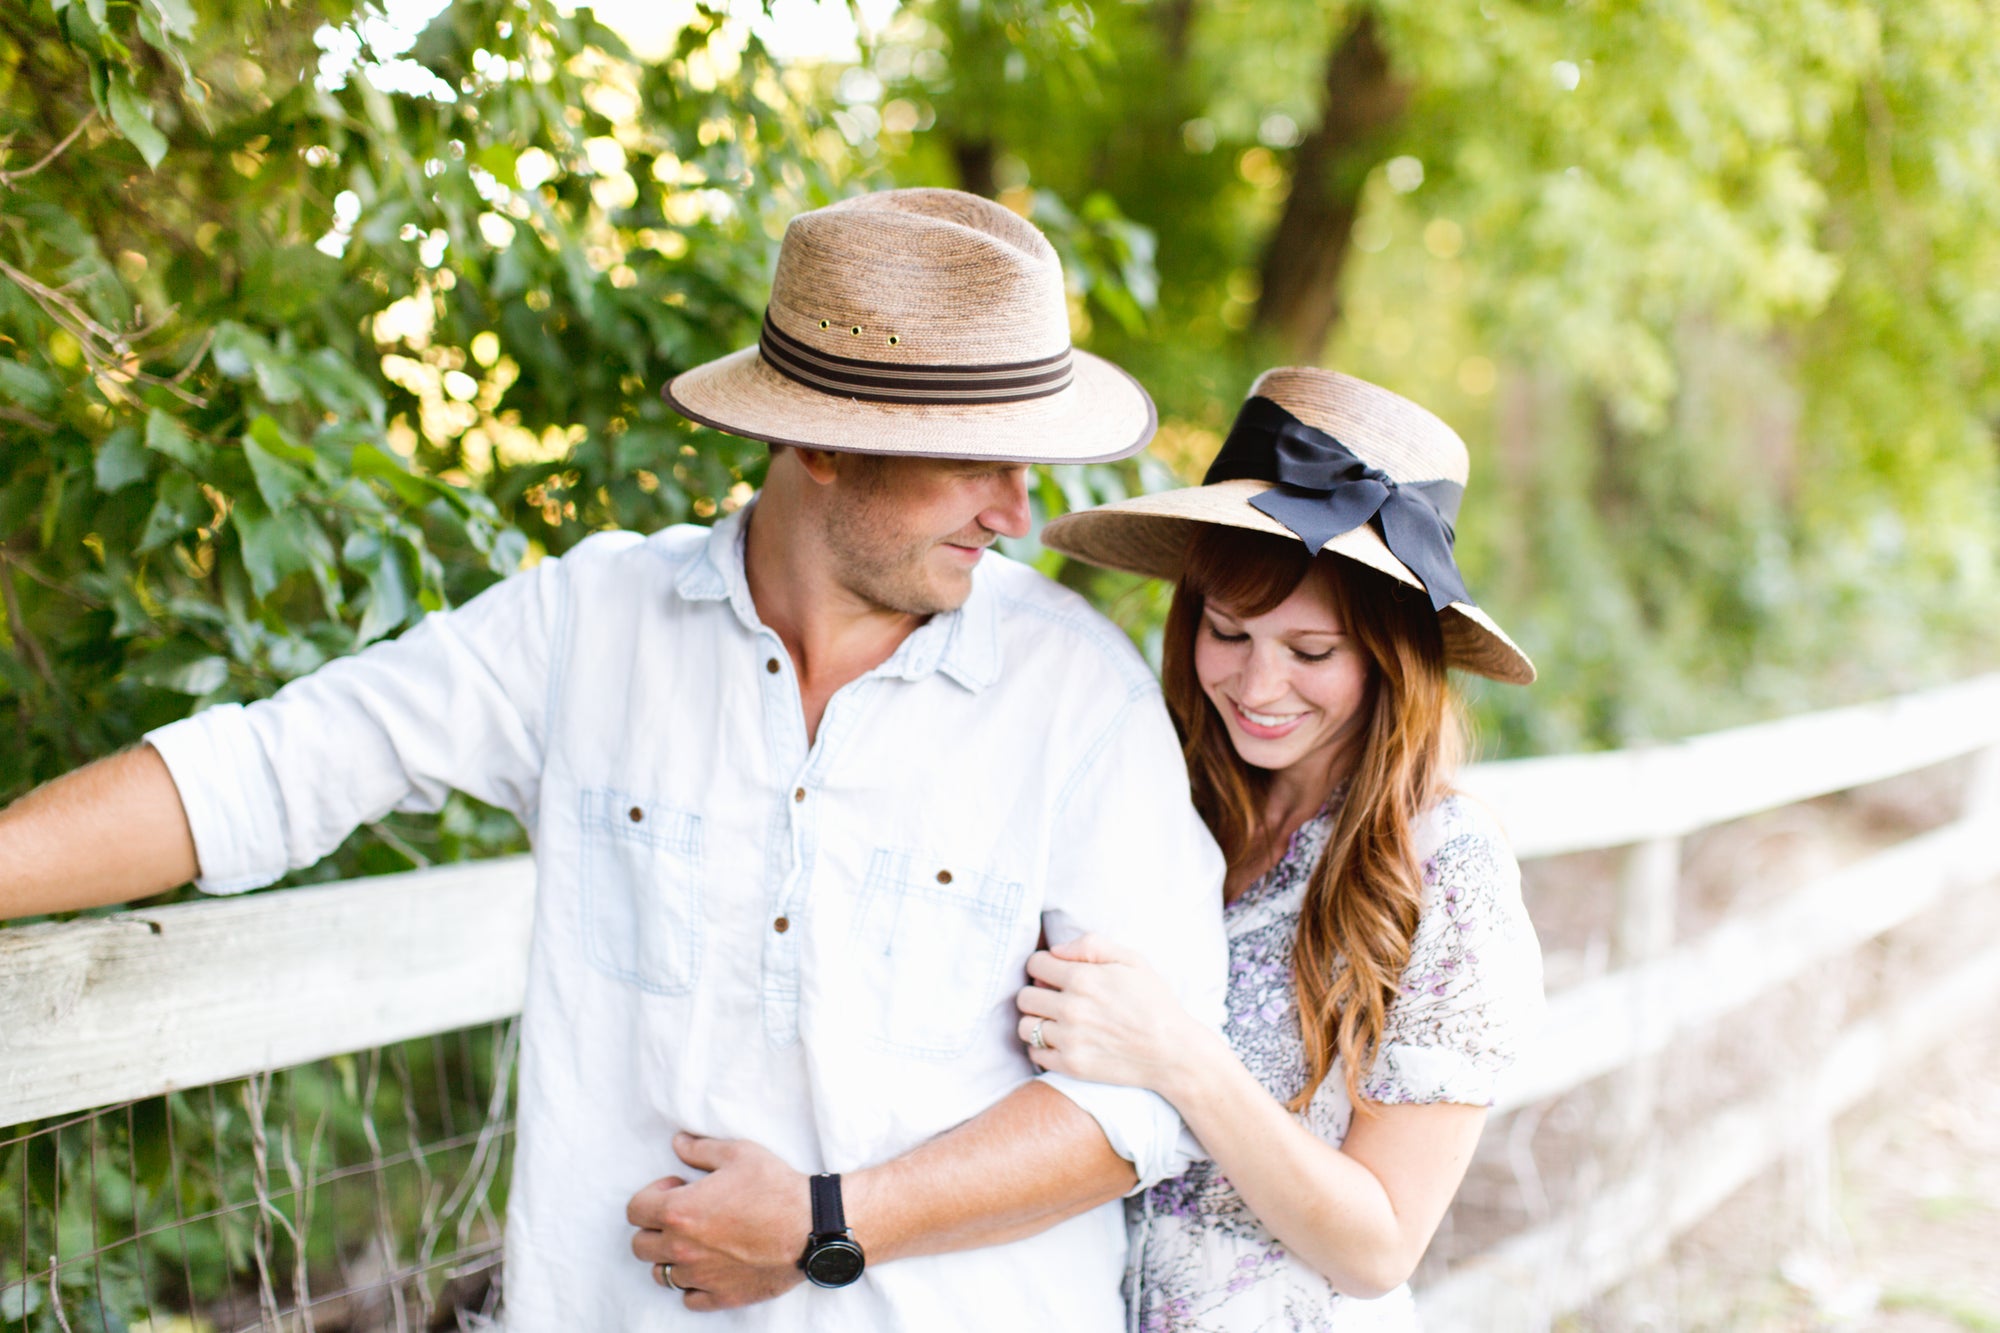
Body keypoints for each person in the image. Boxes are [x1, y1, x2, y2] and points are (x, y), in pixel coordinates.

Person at [0, 188, 1229, 1331]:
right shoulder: (585, 626)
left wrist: (826, 1225)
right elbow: (262, 775)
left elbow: (1148, 1099)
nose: (1016, 512)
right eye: (973, 458)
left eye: (1028, 462)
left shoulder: (1078, 699)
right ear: (822, 444)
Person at [1018, 367, 1545, 1331]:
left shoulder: (1444, 868)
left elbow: (1379, 1244)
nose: (1258, 684)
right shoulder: (1151, 791)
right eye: (1228, 631)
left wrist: (1178, 1054)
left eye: (1312, 652)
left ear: (1391, 658)